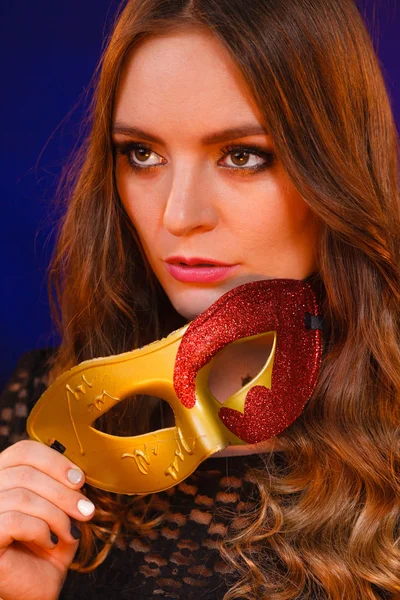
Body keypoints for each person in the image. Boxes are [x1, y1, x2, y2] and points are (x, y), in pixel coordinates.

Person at [0, 0, 399, 598]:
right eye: (143, 154)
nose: (178, 216)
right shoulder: (35, 410)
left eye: (243, 156)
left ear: (334, 170)